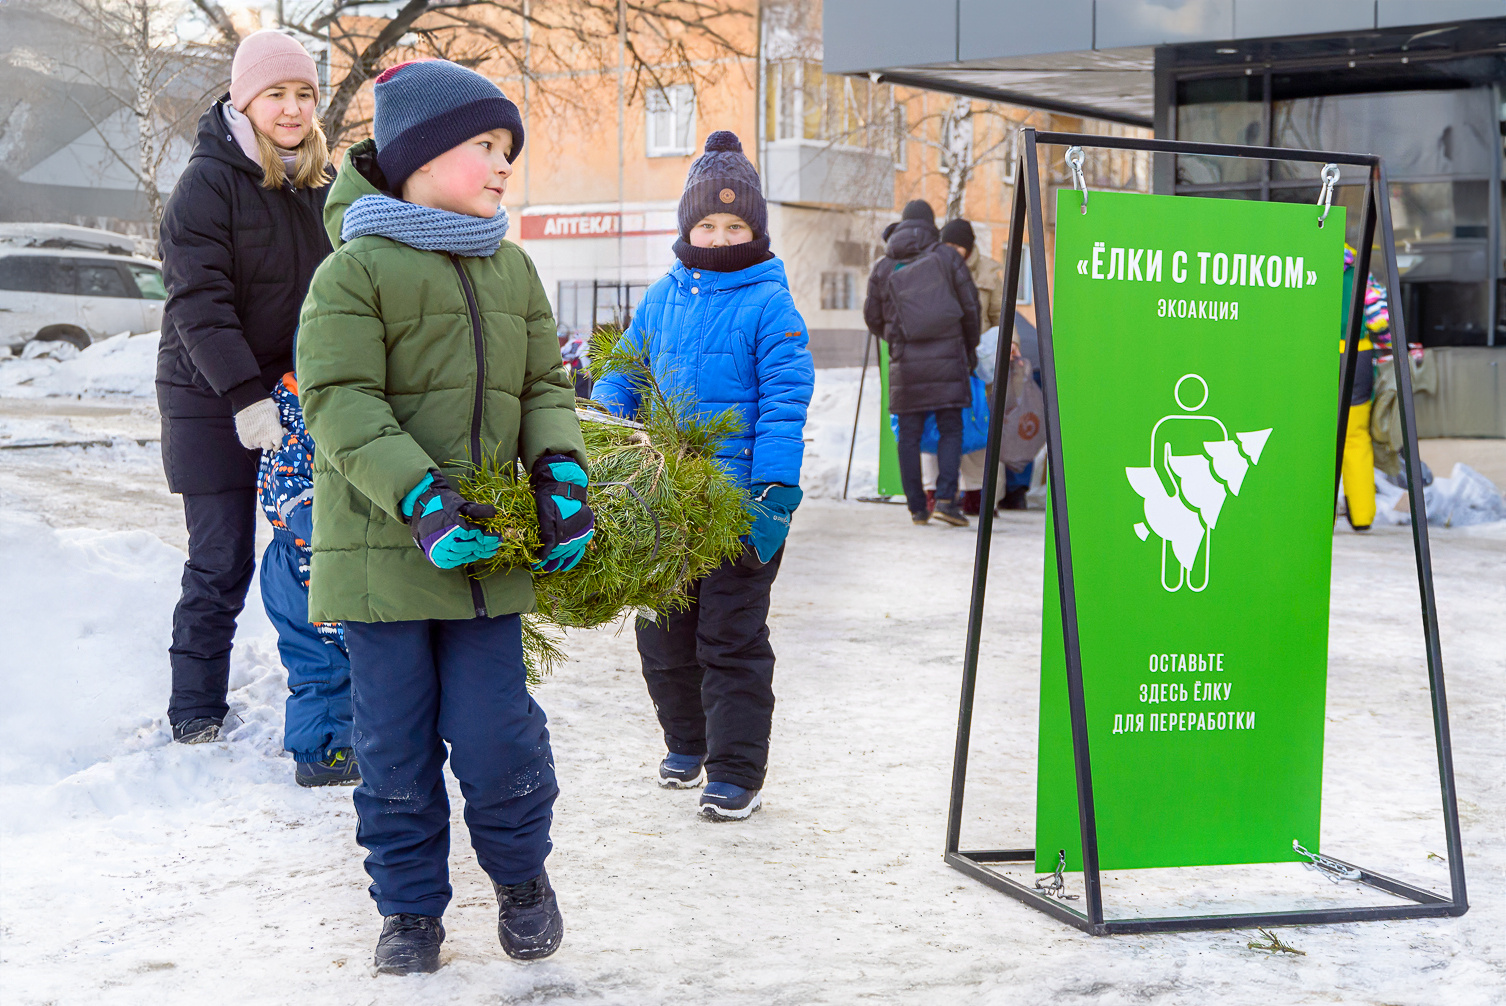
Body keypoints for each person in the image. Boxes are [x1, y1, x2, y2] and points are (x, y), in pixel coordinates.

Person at [297, 59, 590, 974]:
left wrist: (562, 474)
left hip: (484, 560)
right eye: (484, 145)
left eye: (508, 149)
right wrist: (421, 496)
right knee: (392, 746)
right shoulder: (354, 271)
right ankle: (411, 912)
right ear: (419, 156)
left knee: (501, 733)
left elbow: (544, 383)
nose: (504, 164)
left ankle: (523, 880)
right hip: (386, 559)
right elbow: (340, 400)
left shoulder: (511, 266)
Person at [593, 130, 814, 822]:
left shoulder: (771, 305)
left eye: (735, 224)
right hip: (666, 502)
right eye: (707, 224)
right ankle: (687, 741)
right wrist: (603, 434)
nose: (719, 237)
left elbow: (784, 403)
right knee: (662, 631)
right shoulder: (664, 298)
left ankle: (736, 770)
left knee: (730, 637)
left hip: (738, 503)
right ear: (689, 227)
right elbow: (623, 374)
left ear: (755, 229)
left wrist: (774, 495)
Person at [157, 30, 333, 744]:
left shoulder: (323, 184)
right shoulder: (207, 182)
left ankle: (327, 704)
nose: (291, 109)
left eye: (304, 94)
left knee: (316, 548)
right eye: (276, 94)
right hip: (209, 394)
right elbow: (199, 300)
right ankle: (195, 709)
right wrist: (243, 396)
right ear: (244, 99)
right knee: (221, 555)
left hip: (298, 392)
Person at [257, 370, 357, 786]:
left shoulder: (292, 406)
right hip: (307, 561)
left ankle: (337, 745)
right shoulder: (306, 415)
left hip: (293, 557)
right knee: (324, 660)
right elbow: (295, 495)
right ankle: (324, 755)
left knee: (320, 658)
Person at [864, 200, 981, 527]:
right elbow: (971, 307)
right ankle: (946, 500)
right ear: (932, 225)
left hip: (906, 364)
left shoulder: (884, 266)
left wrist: (897, 334)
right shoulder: (946, 258)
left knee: (909, 436)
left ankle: (917, 507)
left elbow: (871, 317)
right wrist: (967, 346)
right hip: (948, 358)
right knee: (950, 427)